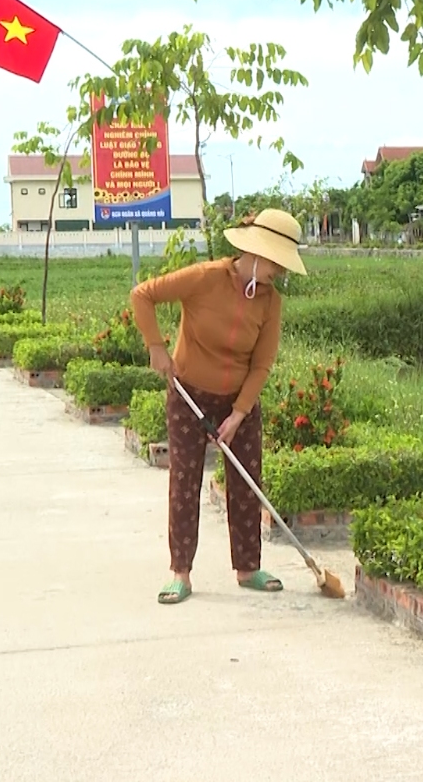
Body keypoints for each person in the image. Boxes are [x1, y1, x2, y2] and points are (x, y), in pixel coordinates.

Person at [130, 209, 308, 605]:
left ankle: (248, 568)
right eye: (277, 263)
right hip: (188, 394)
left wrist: (239, 413)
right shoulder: (205, 277)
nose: (279, 272)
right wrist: (156, 347)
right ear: (258, 253)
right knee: (185, 480)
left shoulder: (270, 301)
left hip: (238, 402)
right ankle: (181, 572)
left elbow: (262, 364)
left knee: (246, 482)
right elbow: (143, 295)